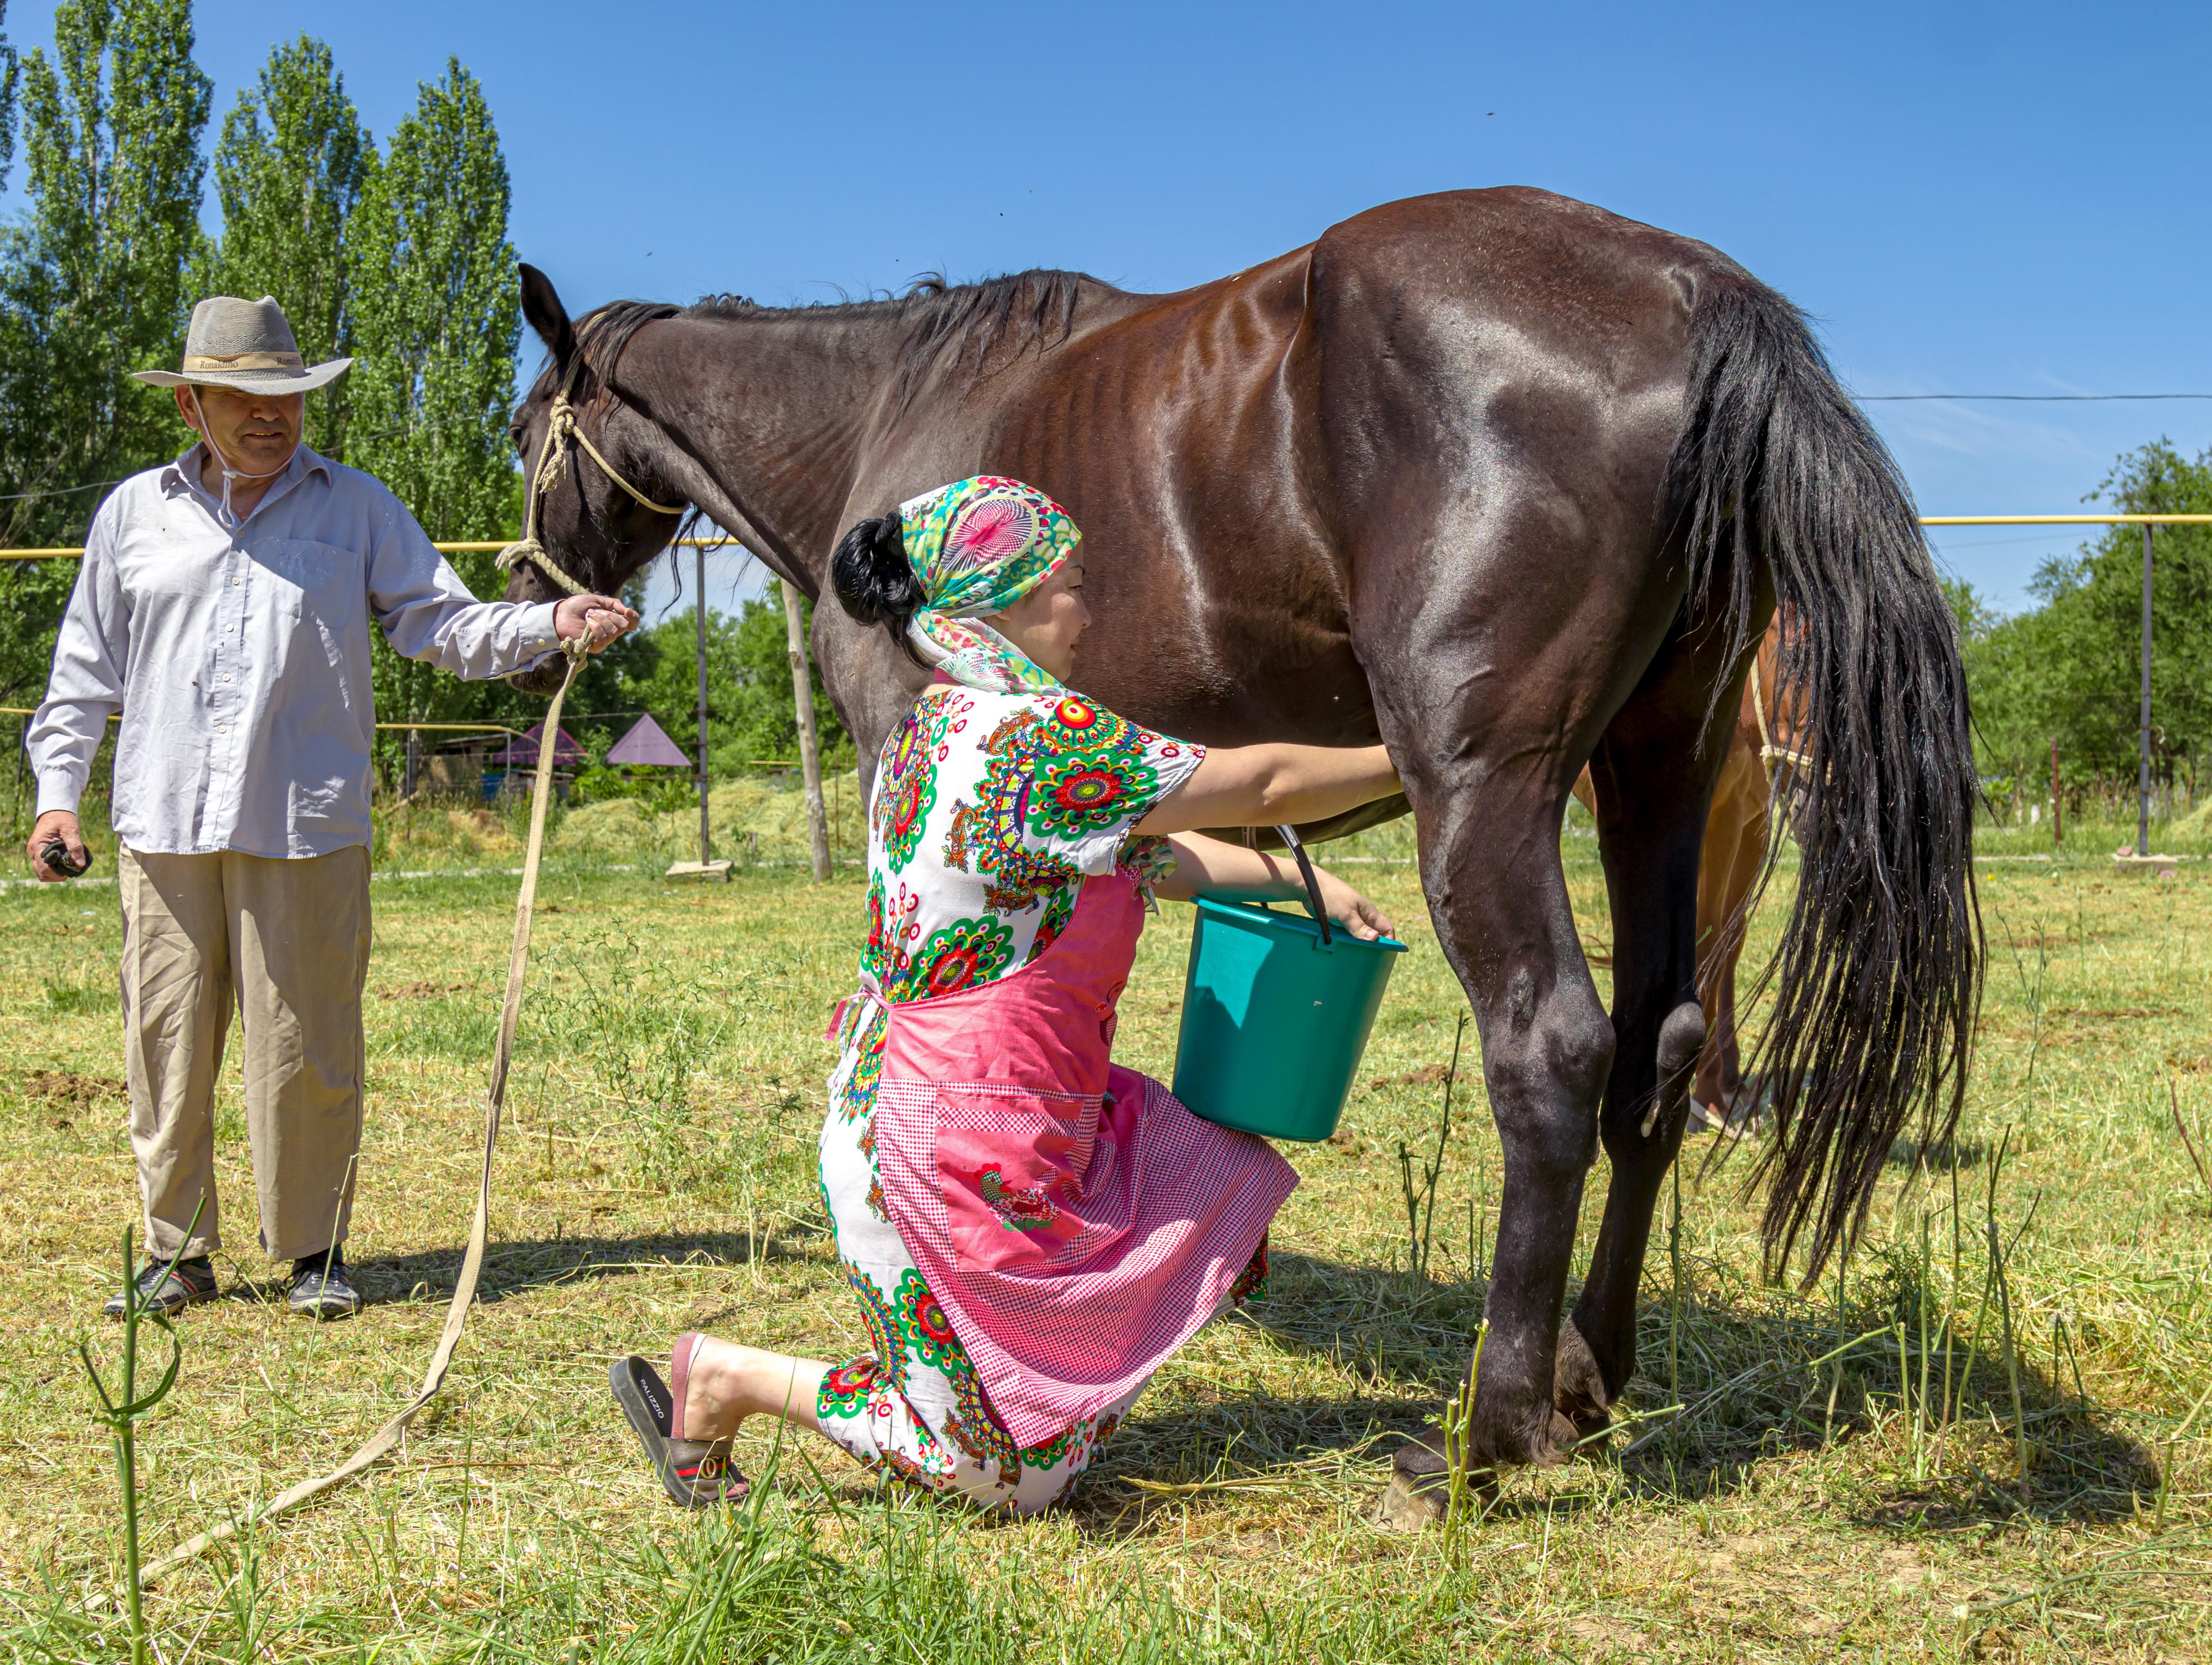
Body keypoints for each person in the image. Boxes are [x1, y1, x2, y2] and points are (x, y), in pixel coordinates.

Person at [611, 476, 1401, 1512]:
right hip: (928, 1150)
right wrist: (1429, 761)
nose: (1086, 610)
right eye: (1069, 585)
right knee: (1002, 1479)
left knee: (1078, 1407)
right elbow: (1261, 787)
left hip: (992, 1117)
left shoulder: (947, 727)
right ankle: (728, 1379)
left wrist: (1316, 885)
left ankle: (963, 1401)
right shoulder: (1029, 741)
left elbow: (1146, 851)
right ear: (1004, 601)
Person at [25, 294, 639, 1322]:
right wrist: (58, 799)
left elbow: (440, 625)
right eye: (245, 398)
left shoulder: (355, 507)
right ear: (192, 404)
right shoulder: (132, 514)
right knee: (166, 1042)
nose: (272, 417)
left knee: (305, 1040)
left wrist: (548, 621)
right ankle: (177, 1253)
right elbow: (83, 669)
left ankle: (313, 1249)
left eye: (289, 398)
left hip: (304, 821)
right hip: (163, 821)